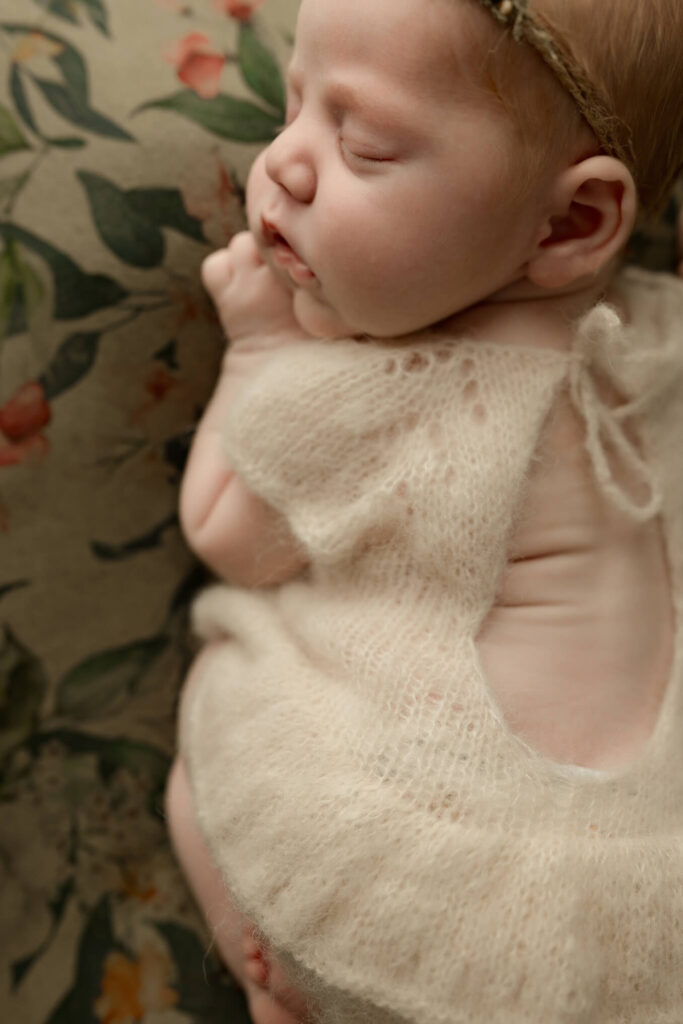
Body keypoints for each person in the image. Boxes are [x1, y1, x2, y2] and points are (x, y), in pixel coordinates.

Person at [166, 0, 683, 1021]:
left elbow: (225, 532)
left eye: (360, 145)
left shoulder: (385, 389)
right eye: (292, 102)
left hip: (419, 901)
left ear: (568, 223)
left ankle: (279, 985)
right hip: (642, 906)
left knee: (209, 744)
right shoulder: (658, 335)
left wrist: (264, 351)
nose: (283, 165)